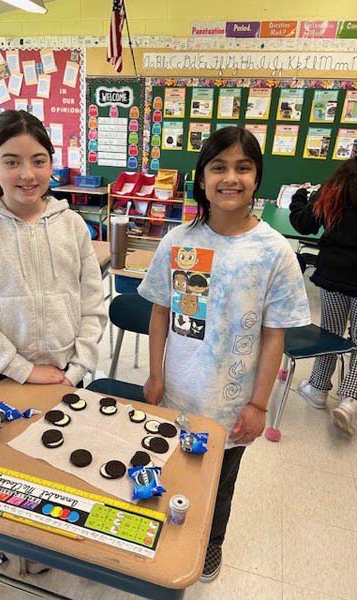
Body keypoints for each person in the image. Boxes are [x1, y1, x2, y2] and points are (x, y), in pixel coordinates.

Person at [138, 127, 310, 582]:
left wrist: (258, 404)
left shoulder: (274, 252)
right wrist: (154, 374)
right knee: (172, 468)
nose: (230, 177)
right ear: (201, 178)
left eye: (242, 167)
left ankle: (210, 545)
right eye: (218, 166)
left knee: (220, 484)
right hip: (177, 391)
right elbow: (160, 312)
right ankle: (170, 535)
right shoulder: (177, 241)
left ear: (257, 179)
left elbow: (275, 335)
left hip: (232, 404)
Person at [0, 110, 107, 390]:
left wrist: (77, 370)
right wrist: (20, 368)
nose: (27, 175)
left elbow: (93, 306)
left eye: (38, 161)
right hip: (4, 373)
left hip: (67, 374)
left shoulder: (72, 225)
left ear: (51, 164)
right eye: (12, 162)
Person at [289, 159, 357, 435]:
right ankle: (349, 398)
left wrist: (299, 196)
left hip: (335, 273)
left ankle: (317, 389)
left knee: (330, 333)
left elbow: (303, 223)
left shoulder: (334, 190)